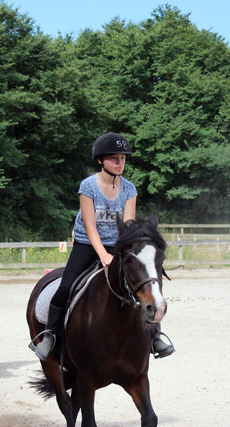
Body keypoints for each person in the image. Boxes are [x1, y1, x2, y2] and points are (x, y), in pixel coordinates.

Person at [33, 132, 175, 360]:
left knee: (140, 285)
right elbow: (90, 226)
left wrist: (122, 252)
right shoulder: (88, 186)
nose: (120, 163)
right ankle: (50, 334)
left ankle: (155, 335)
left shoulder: (129, 188)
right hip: (87, 244)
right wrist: (102, 255)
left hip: (117, 246)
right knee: (66, 286)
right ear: (100, 160)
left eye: (123, 158)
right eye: (114, 158)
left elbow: (128, 225)